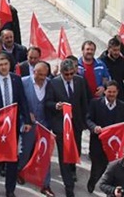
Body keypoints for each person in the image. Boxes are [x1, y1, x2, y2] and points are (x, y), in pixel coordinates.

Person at [0, 54, 31, 197]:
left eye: (5, 64)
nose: (3, 67)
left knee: (12, 158)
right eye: (0, 64)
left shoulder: (16, 79)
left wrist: (27, 121)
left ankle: (10, 189)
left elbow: (23, 101)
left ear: (10, 65)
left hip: (13, 125)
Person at [45, 58, 89, 197]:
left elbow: (84, 102)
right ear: (62, 73)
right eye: (67, 74)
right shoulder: (53, 83)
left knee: (74, 150)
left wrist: (85, 122)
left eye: (71, 73)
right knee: (64, 155)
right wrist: (56, 106)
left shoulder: (80, 81)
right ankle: (68, 185)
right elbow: (47, 103)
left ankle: (72, 170)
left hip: (76, 125)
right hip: (61, 125)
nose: (69, 76)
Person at [86, 80, 124, 193]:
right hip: (98, 144)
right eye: (109, 91)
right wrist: (94, 127)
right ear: (104, 91)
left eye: (114, 92)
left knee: (114, 171)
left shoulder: (123, 107)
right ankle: (92, 183)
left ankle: (110, 191)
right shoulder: (95, 103)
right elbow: (88, 119)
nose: (111, 94)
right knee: (97, 169)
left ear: (117, 92)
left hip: (115, 146)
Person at [18, 61, 54, 197]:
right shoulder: (23, 82)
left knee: (46, 155)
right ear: (34, 72)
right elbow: (19, 103)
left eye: (45, 75)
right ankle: (20, 171)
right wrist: (27, 116)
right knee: (25, 151)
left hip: (44, 124)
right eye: (40, 75)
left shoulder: (50, 83)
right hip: (29, 124)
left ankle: (45, 185)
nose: (42, 78)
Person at [98, 36, 124, 104]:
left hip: (119, 94)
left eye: (118, 50)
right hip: (106, 95)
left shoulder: (122, 61)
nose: (117, 53)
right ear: (109, 49)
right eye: (114, 50)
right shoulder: (101, 62)